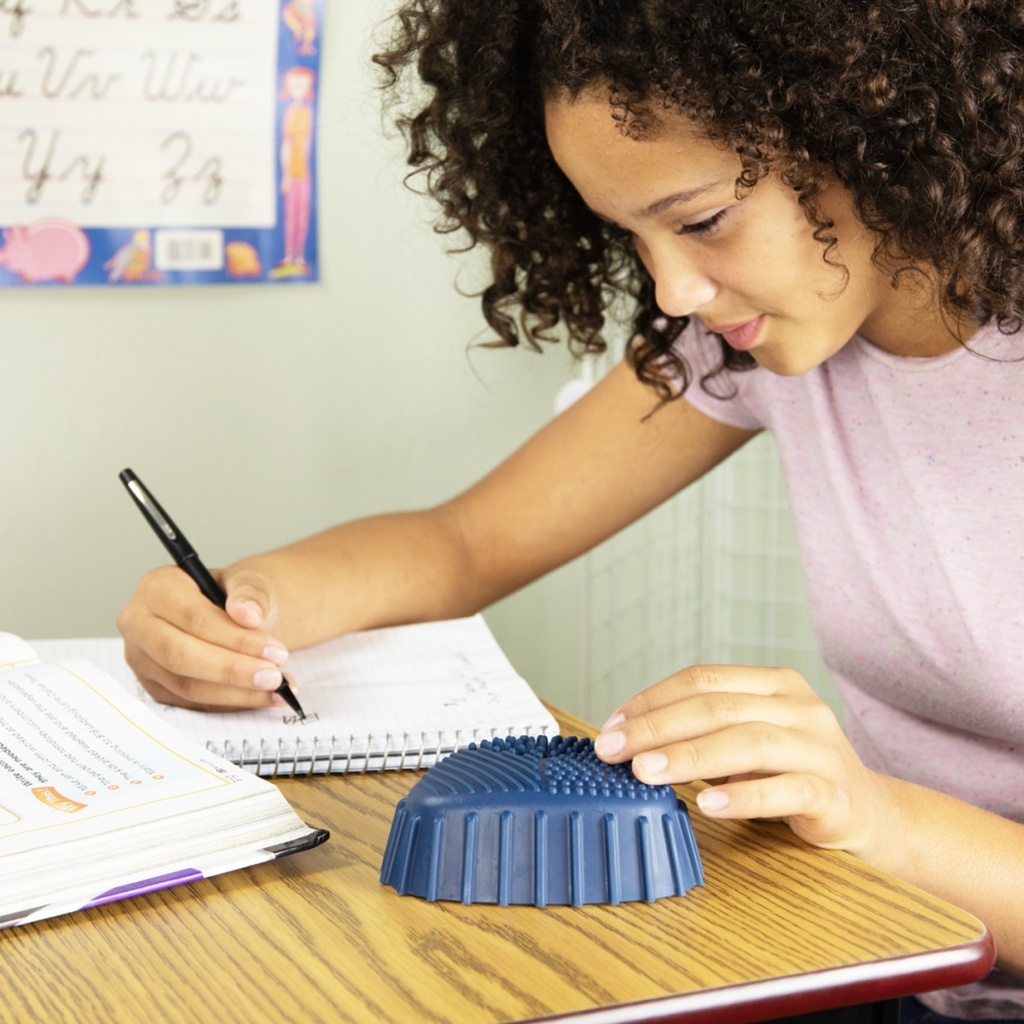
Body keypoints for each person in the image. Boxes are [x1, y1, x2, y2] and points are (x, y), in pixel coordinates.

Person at [117, 1, 1023, 1018]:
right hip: (900, 952)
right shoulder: (761, 339)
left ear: (876, 121)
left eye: (699, 220)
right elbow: (464, 542)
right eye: (629, 235)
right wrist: (243, 608)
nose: (674, 289)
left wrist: (882, 820)